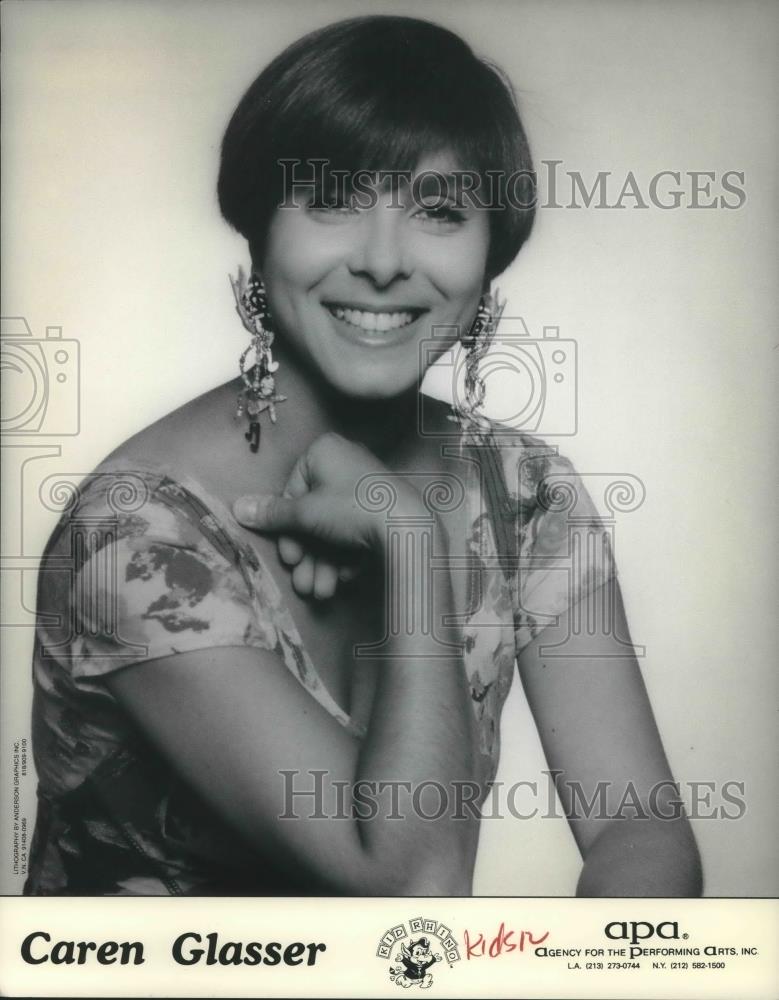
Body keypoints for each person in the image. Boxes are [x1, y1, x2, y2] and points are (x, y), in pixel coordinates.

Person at [24, 15, 702, 897]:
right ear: (258, 237)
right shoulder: (132, 538)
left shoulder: (523, 494)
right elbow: (408, 888)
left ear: (490, 255)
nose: (383, 262)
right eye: (332, 200)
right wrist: (410, 544)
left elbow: (638, 826)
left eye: (438, 211)